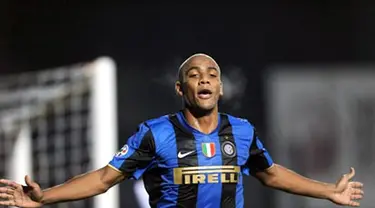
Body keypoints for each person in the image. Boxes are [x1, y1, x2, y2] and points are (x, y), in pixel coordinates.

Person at [0, 53, 364, 208]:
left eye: (211, 75)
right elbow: (101, 180)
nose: (204, 78)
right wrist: (43, 197)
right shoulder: (154, 134)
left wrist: (328, 191)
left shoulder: (241, 132)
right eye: (193, 74)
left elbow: (270, 174)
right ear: (181, 89)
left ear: (220, 89)